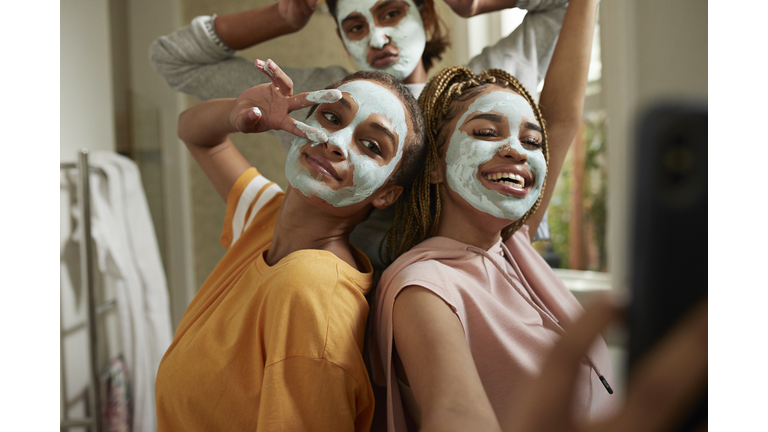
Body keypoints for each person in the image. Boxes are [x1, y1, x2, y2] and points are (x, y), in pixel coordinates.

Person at [149, 0, 569, 268]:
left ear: (424, 14)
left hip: (487, 285)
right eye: (354, 25)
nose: (378, 37)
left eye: (391, 12)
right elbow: (174, 62)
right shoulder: (315, 98)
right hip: (352, 313)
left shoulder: (480, 94)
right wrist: (281, 16)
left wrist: (473, 4)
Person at [370, 0, 612, 430]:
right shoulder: (423, 291)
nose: (516, 150)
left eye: (531, 141)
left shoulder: (513, 245)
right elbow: (456, 415)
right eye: (485, 132)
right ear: (433, 166)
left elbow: (561, 117)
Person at [154, 63, 426, 431]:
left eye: (371, 145)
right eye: (331, 116)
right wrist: (242, 113)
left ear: (385, 194)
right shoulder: (264, 219)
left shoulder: (310, 289)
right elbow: (193, 131)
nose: (335, 141)